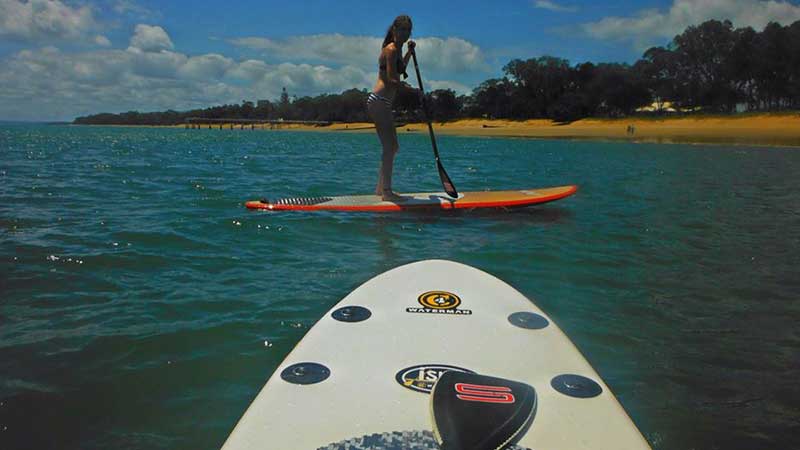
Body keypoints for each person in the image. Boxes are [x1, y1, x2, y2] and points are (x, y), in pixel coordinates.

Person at [367, 15, 421, 201]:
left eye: (408, 31)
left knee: (392, 147)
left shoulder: (397, 50)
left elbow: (400, 70)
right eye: (402, 30)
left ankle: (381, 190)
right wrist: (411, 90)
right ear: (394, 30)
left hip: (384, 102)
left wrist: (408, 53)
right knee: (390, 146)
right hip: (379, 100)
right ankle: (387, 193)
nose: (405, 34)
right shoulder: (390, 49)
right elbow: (391, 79)